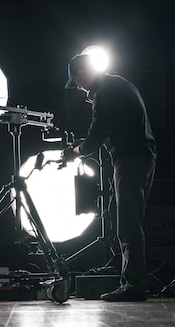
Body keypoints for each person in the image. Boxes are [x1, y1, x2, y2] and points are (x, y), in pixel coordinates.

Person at [61, 53, 156, 302]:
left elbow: (95, 135)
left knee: (128, 223)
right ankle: (132, 282)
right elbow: (112, 127)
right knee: (126, 219)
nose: (79, 88)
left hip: (131, 160)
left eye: (77, 82)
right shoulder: (117, 84)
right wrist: (86, 145)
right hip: (139, 157)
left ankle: (134, 286)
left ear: (82, 73)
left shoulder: (104, 92)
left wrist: (75, 152)